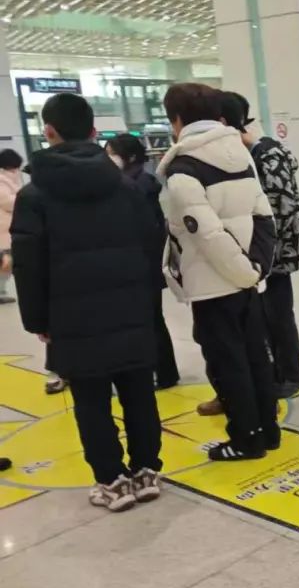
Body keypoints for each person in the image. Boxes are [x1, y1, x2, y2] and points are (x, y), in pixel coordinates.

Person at [10, 93, 164, 511]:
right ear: (95, 132)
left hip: (71, 316)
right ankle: (146, 471)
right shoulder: (127, 187)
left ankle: (112, 481)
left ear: (48, 132)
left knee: (91, 401)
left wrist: (38, 320)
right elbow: (152, 245)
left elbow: (28, 266)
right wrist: (148, 301)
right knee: (139, 393)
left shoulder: (34, 195)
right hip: (131, 308)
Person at [158, 83, 279, 461]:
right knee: (256, 357)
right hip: (249, 280)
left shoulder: (182, 168)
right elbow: (264, 217)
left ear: (177, 120)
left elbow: (207, 234)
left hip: (213, 285)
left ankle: (246, 439)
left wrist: (243, 271)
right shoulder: (241, 154)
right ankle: (268, 430)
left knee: (229, 364)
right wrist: (256, 267)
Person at [221, 91, 299, 399]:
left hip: (276, 253)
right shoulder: (253, 152)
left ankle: (293, 374)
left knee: (278, 314)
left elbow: (282, 207)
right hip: (265, 251)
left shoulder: (267, 153)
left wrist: (265, 252)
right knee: (266, 315)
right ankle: (279, 372)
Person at [106, 134, 180, 389]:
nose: (108, 158)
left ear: (130, 156)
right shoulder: (133, 182)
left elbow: (145, 229)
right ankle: (162, 371)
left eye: (111, 153)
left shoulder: (138, 185)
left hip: (143, 263)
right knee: (150, 318)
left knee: (151, 319)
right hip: (142, 262)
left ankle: (165, 372)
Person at [0, 148, 22, 303]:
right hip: (3, 228)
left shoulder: (10, 178)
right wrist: (22, 199)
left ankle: (1, 291)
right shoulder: (2, 180)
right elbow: (7, 201)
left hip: (8, 227)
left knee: (6, 262)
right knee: (5, 262)